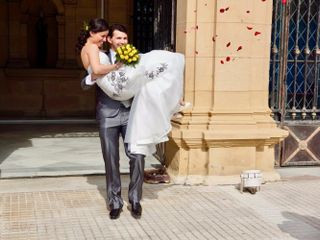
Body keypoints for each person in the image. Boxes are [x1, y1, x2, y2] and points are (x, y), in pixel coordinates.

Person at [77, 19, 144, 220]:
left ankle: (135, 199)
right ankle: (115, 202)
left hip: (131, 113)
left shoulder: (136, 57)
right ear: (111, 41)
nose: (122, 41)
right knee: (111, 160)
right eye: (117, 38)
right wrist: (93, 77)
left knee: (138, 156)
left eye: (125, 38)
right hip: (108, 113)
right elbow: (85, 82)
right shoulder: (100, 56)